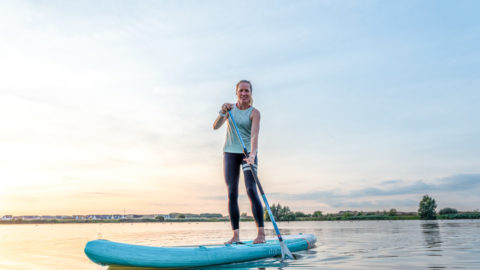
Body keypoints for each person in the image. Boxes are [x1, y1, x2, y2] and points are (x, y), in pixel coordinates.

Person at [213, 80, 265, 244]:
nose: (244, 93)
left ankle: (261, 235)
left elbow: (254, 135)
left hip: (247, 153)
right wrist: (222, 112)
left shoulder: (254, 112)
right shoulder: (230, 109)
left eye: (247, 91)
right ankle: (235, 236)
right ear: (236, 92)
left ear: (250, 93)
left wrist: (252, 154)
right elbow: (215, 126)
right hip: (230, 152)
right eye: (241, 90)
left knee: (251, 190)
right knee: (232, 193)